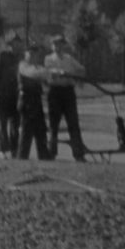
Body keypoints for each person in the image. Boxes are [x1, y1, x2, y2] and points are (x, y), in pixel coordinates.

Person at [44, 34, 87, 162]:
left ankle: (78, 153)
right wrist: (61, 73)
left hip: (68, 92)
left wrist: (73, 76)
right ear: (52, 46)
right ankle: (51, 152)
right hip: (55, 92)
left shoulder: (69, 59)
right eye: (55, 44)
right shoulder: (48, 59)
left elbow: (81, 69)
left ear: (63, 45)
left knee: (73, 123)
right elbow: (50, 72)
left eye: (60, 44)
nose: (58, 46)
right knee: (54, 124)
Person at [0, 31, 23, 159]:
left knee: (15, 125)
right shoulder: (2, 55)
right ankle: (2, 150)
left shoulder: (20, 57)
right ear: (9, 43)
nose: (16, 44)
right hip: (2, 95)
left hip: (15, 96)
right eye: (14, 42)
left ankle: (15, 150)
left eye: (17, 42)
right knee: (2, 125)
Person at [17, 44, 52, 160]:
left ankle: (44, 157)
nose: (33, 56)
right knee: (27, 131)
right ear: (25, 54)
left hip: (37, 101)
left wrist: (48, 74)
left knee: (41, 130)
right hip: (26, 101)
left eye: (35, 54)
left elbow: (47, 80)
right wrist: (47, 73)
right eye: (30, 54)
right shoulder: (23, 65)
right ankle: (22, 157)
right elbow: (33, 73)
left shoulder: (39, 68)